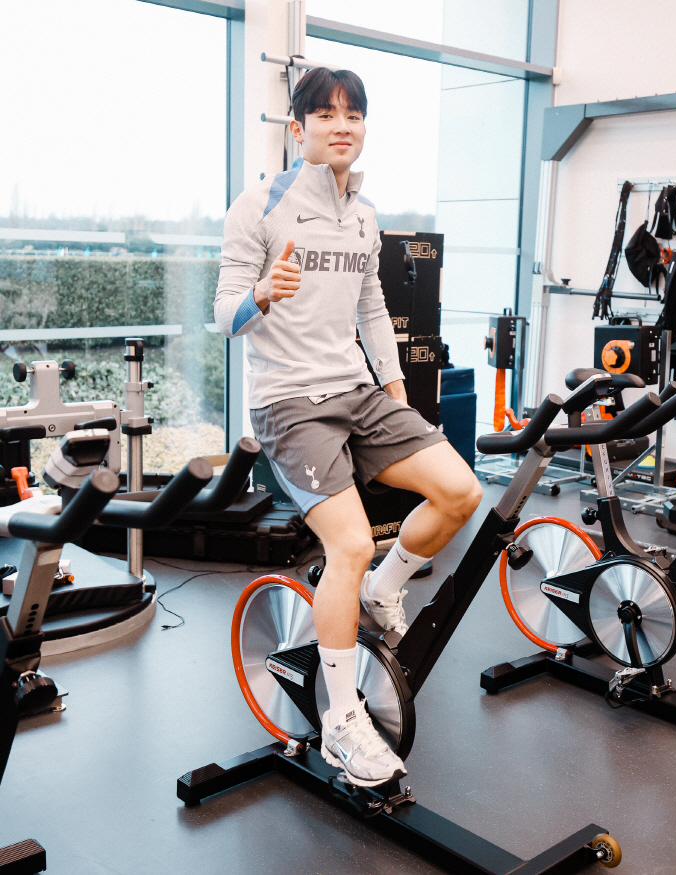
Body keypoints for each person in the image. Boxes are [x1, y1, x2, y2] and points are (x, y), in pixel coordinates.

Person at [214, 67, 482, 787]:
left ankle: (382, 590)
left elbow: (372, 313)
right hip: (288, 402)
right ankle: (339, 723)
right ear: (296, 129)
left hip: (357, 391)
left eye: (353, 114)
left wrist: (400, 399)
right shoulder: (258, 207)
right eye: (325, 114)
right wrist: (264, 293)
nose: (342, 124)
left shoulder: (364, 214)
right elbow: (224, 316)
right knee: (353, 541)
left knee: (460, 491)